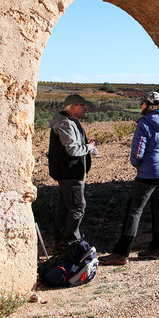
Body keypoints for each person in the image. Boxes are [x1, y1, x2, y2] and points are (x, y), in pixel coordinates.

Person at [99, 92, 159, 265]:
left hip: (149, 173)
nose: (141, 106)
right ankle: (156, 249)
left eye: (143, 103)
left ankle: (121, 253)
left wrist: (137, 164)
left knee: (134, 211)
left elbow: (137, 152)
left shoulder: (144, 124)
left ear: (149, 106)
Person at [48, 94, 98, 249]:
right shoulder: (66, 124)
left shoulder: (69, 122)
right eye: (82, 105)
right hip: (71, 173)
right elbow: (73, 149)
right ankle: (72, 243)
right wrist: (90, 147)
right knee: (77, 208)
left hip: (69, 173)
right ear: (73, 106)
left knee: (65, 208)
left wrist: (90, 148)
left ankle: (61, 241)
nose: (85, 108)